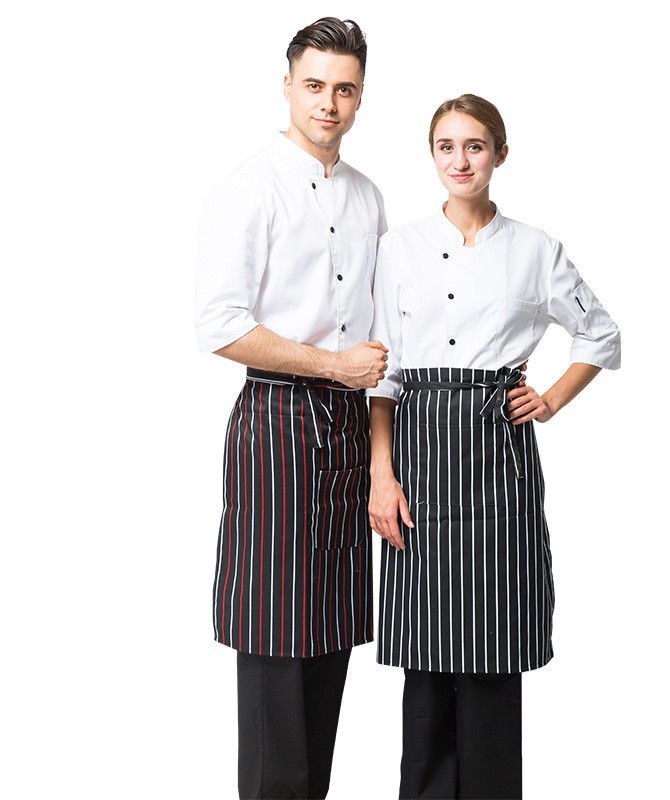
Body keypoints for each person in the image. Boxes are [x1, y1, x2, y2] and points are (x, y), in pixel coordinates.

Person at [367, 94, 621, 799]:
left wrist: (552, 398)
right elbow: (383, 370)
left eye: (474, 146)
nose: (460, 160)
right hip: (418, 451)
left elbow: (600, 333)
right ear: (432, 156)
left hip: (496, 457)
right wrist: (381, 473)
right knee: (426, 658)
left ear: (500, 155)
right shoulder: (397, 247)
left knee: (492, 644)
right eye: (446, 146)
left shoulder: (536, 249)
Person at [195, 17, 388, 800]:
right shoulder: (249, 187)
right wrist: (332, 364)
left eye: (344, 89)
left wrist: (383, 456)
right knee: (274, 636)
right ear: (286, 87)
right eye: (314, 86)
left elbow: (385, 329)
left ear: (360, 96)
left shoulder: (369, 196)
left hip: (350, 426)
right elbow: (219, 325)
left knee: (331, 634)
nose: (328, 104)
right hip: (276, 420)